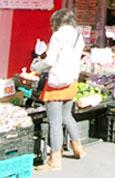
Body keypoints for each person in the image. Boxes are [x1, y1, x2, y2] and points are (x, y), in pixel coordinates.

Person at [33, 10, 85, 172]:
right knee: (67, 115)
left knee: (54, 121)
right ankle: (79, 149)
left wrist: (35, 66)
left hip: (56, 82)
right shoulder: (78, 36)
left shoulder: (58, 36)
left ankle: (55, 160)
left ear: (57, 22)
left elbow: (49, 61)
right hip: (71, 80)